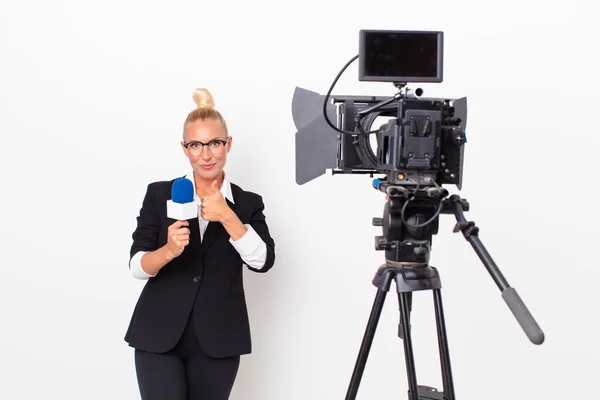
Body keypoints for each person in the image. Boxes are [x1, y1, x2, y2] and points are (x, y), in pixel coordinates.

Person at [124, 88, 276, 400]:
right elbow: (137, 266)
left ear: (228, 144)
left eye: (214, 143)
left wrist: (228, 217)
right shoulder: (159, 194)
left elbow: (262, 261)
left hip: (219, 338)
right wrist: (168, 251)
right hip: (158, 335)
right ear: (185, 148)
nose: (206, 155)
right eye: (196, 145)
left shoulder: (246, 203)